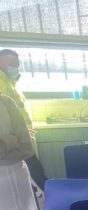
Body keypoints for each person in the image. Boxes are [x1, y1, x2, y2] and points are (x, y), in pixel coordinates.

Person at [0, 48, 47, 191]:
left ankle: (45, 198)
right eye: (11, 63)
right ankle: (50, 201)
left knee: (33, 175)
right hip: (13, 142)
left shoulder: (10, 83)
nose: (15, 67)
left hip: (22, 138)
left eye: (17, 63)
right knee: (36, 174)